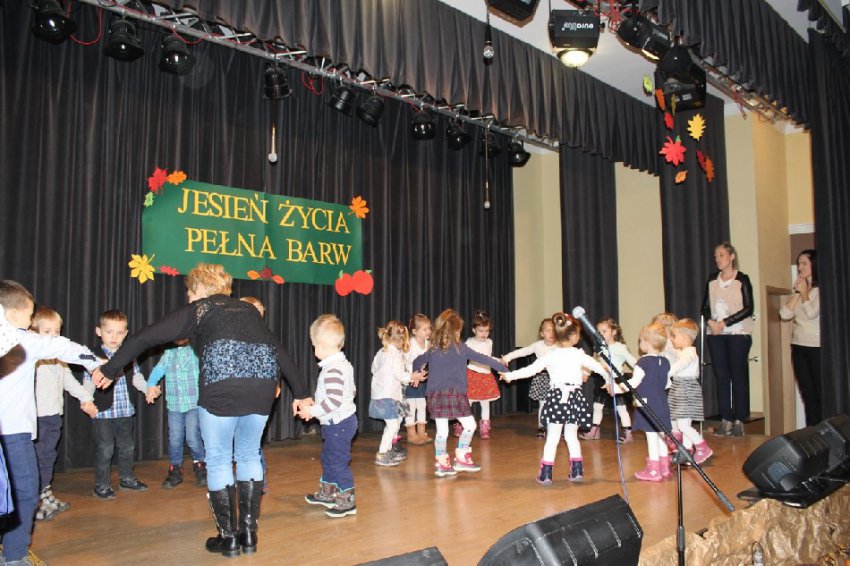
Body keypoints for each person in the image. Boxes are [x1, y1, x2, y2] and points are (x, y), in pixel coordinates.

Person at [92, 263, 311, 557]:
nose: (188, 297)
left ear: (197, 290)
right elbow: (278, 350)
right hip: (262, 386)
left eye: (188, 292)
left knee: (218, 459)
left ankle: (228, 538)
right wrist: (302, 393)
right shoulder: (248, 310)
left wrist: (110, 368)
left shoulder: (199, 309)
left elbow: (144, 337)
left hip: (222, 386)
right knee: (248, 454)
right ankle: (248, 535)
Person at [0, 281, 102, 566]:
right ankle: (14, 556)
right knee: (25, 490)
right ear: (15, 314)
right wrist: (96, 362)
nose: (31, 320)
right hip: (13, 434)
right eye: (29, 314)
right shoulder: (23, 340)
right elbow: (63, 346)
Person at [502, 313, 604, 484]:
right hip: (575, 398)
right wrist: (611, 381)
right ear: (574, 336)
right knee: (571, 435)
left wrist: (509, 376)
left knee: (553, 437)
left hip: (557, 398)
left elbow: (530, 370)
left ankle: (546, 473)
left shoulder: (551, 355)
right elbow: (600, 368)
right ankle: (577, 470)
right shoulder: (579, 355)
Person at [412, 309, 508, 477]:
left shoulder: (434, 348)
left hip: (436, 395)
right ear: (456, 331)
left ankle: (443, 462)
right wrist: (504, 369)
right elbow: (484, 359)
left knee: (443, 431)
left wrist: (417, 372)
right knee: (469, 425)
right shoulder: (460, 348)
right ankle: (461, 458)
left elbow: (418, 360)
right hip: (454, 394)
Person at [30, 307, 98, 521]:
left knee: (48, 457)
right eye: (47, 331)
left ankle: (45, 493)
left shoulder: (59, 357)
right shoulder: (33, 357)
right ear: (33, 333)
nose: (54, 336)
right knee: (39, 458)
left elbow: (69, 380)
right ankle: (34, 502)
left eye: (57, 332)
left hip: (53, 416)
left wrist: (86, 398)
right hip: (37, 417)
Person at [82, 310, 149, 500]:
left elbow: (136, 378)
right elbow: (88, 383)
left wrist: (148, 389)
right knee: (105, 449)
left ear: (126, 334)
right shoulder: (93, 357)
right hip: (103, 413)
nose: (114, 337)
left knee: (127, 448)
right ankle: (101, 485)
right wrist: (86, 400)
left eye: (119, 333)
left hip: (125, 411)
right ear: (99, 331)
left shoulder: (128, 355)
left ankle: (127, 478)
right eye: (109, 332)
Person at [300, 314, 358, 518]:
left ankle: (347, 499)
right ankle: (329, 491)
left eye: (314, 345)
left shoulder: (333, 370)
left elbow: (333, 402)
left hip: (339, 425)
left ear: (323, 346)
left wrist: (312, 411)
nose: (313, 349)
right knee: (329, 457)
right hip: (338, 423)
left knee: (337, 461)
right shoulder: (343, 365)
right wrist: (317, 405)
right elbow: (349, 393)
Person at [702, 242, 754, 438]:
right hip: (716, 335)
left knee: (738, 376)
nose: (718, 259)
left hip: (738, 334)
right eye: (716, 256)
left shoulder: (742, 279)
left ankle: (740, 420)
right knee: (721, 377)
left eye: (721, 255)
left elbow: (748, 308)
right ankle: (726, 419)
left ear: (731, 256)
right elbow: (705, 307)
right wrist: (711, 322)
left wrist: (724, 322)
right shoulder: (712, 280)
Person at [609, 323, 672, 481]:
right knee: (661, 435)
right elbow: (667, 384)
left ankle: (654, 471)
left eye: (641, 340)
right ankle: (665, 467)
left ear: (647, 343)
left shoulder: (643, 362)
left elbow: (633, 383)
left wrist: (616, 388)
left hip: (647, 405)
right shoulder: (665, 362)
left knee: (651, 436)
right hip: (662, 403)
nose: (639, 344)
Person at [145, 339, 206, 489]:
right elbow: (158, 370)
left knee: (193, 437)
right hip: (174, 405)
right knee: (175, 439)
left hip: (194, 404)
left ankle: (200, 463)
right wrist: (151, 385)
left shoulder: (195, 351)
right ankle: (175, 468)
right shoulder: (169, 353)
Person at [370, 320, 423, 466]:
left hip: (384, 394)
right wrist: (413, 376)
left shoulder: (381, 352)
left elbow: (373, 369)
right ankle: (382, 454)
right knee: (393, 425)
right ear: (400, 340)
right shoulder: (394, 355)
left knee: (396, 421)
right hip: (388, 395)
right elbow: (400, 375)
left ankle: (388, 450)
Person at [779, 249, 821, 426]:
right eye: (799, 264)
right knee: (807, 394)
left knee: (819, 393)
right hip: (798, 347)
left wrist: (804, 293)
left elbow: (811, 313)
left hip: (816, 347)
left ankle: (823, 431)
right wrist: (798, 293)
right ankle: (812, 431)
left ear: (814, 265)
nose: (800, 267)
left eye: (804, 263)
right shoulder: (801, 291)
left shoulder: (819, 291)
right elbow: (784, 314)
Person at [581, 318, 637, 443]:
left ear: (614, 332)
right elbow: (593, 362)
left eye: (604, 331)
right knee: (597, 406)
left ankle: (628, 433)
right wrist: (586, 372)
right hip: (602, 380)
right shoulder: (599, 348)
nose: (601, 334)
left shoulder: (620, 347)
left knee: (621, 408)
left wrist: (642, 370)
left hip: (616, 381)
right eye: (599, 332)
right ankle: (594, 431)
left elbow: (632, 362)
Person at [500, 318, 557, 438]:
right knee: (543, 404)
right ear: (542, 333)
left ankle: (557, 427)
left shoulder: (560, 346)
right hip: (542, 378)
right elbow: (522, 351)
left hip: (557, 379)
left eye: (553, 330)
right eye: (548, 330)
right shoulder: (538, 345)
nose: (551, 333)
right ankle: (542, 426)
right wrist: (506, 358)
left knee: (556, 404)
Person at [668, 319, 713, 464]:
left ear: (684, 337)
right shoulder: (685, 352)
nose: (672, 339)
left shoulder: (688, 353)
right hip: (681, 389)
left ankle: (702, 447)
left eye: (674, 336)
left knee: (683, 425)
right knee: (683, 423)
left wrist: (667, 371)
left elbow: (681, 365)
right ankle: (687, 451)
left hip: (686, 390)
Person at [464, 310, 500, 439]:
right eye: (481, 331)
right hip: (472, 374)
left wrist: (498, 362)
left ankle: (485, 428)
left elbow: (487, 358)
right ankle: (463, 425)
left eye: (486, 331)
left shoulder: (489, 342)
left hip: (485, 375)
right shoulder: (469, 342)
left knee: (485, 403)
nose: (484, 334)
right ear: (474, 330)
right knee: (468, 402)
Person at [403, 314, 432, 445]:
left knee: (421, 404)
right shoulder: (410, 343)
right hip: (411, 378)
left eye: (429, 328)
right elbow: (403, 361)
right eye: (424, 329)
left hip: (421, 379)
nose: (428, 331)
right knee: (411, 405)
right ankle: (411, 433)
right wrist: (412, 374)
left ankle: (421, 432)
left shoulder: (428, 344)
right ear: (414, 331)